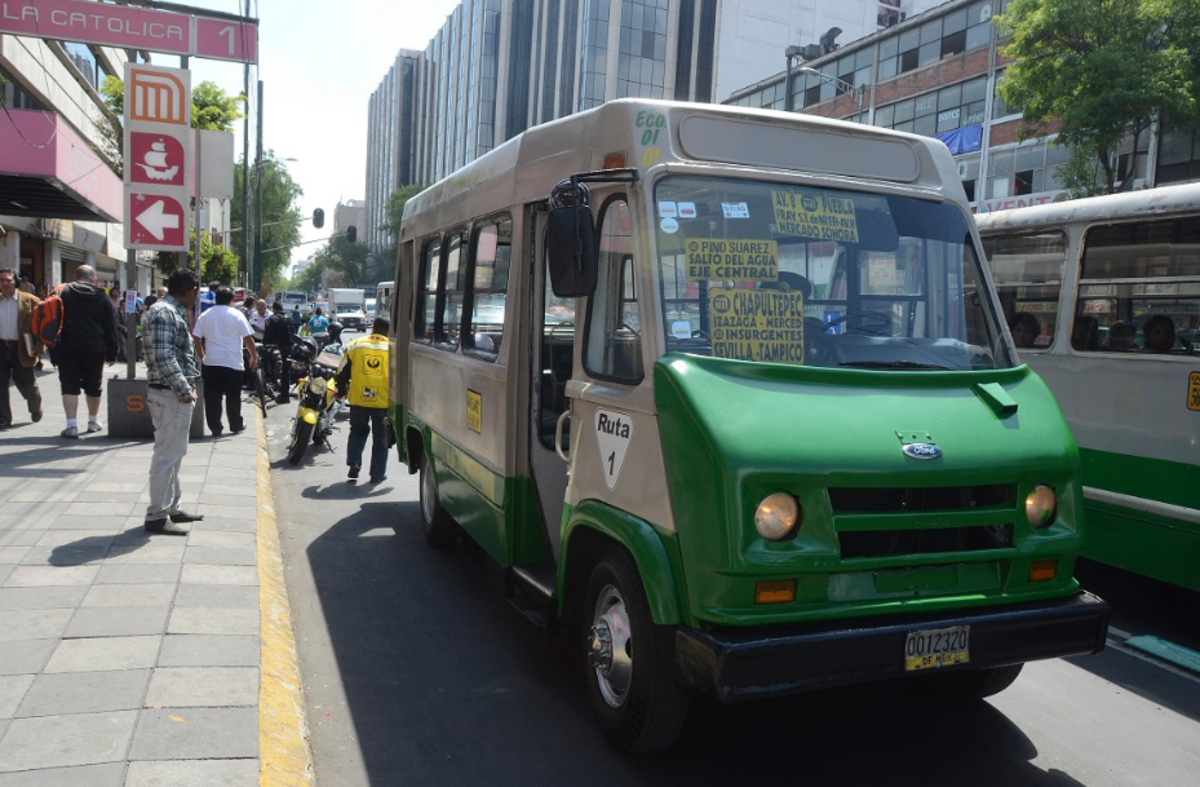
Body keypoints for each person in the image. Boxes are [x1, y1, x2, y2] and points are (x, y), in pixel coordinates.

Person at [143, 269, 203, 535]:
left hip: (173, 393)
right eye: (196, 293)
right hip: (169, 395)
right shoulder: (165, 313)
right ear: (190, 290)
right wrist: (183, 388)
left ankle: (171, 507)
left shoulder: (169, 311)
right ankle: (157, 515)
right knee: (166, 456)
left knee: (174, 454)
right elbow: (164, 357)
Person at [57, 265, 118, 438]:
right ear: (93, 279)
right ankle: (93, 421)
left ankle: (71, 425)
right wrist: (112, 352)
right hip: (95, 348)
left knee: (69, 384)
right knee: (94, 384)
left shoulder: (64, 292)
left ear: (76, 276)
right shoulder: (102, 297)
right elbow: (110, 326)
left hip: (68, 346)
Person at [193, 287, 257, 436]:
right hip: (233, 363)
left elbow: (196, 336)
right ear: (231, 299)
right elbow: (248, 338)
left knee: (212, 398)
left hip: (211, 363)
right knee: (233, 397)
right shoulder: (237, 315)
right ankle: (235, 425)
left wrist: (202, 355)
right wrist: (253, 356)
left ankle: (216, 428)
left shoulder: (205, 315)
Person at [336, 316, 391, 483]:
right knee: (381, 438)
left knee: (358, 430)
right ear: (389, 331)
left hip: (359, 398)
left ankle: (354, 462)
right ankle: (377, 473)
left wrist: (341, 389)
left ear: (372, 327)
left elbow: (343, 369)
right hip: (382, 400)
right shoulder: (392, 348)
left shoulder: (356, 344)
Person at [0, 268, 43, 429]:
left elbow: (41, 325)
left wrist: (40, 345)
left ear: (16, 281)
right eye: (2, 280)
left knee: (27, 382)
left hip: (22, 347)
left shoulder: (30, 300)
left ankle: (35, 407)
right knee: (1, 385)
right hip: (2, 346)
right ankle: (4, 418)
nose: (5, 284)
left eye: (8, 280)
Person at [262, 300, 295, 404]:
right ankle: (285, 395)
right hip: (288, 347)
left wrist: (264, 344)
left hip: (276, 348)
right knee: (286, 371)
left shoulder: (272, 319)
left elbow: (267, 336)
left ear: (274, 309)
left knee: (266, 365)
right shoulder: (289, 319)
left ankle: (269, 385)